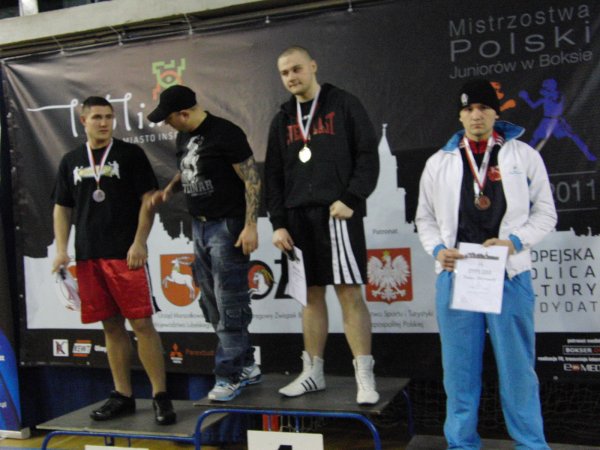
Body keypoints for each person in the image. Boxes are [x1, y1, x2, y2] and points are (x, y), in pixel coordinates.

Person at [415, 79, 556, 449]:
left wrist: (515, 242)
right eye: (468, 109)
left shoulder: (523, 155)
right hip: (457, 272)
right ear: (460, 116)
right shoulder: (438, 162)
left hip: (508, 272)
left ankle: (531, 445)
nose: (475, 115)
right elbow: (424, 218)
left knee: (517, 369)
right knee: (458, 372)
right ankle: (461, 444)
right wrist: (437, 249)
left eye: (482, 108)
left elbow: (546, 212)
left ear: (496, 112)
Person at [265, 46, 380, 405]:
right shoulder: (282, 119)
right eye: (285, 73)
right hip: (297, 220)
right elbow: (273, 176)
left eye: (297, 69)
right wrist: (278, 223)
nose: (291, 77)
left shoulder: (343, 104)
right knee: (310, 296)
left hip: (337, 213)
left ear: (313, 66)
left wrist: (352, 198)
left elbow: (367, 154)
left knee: (349, 293)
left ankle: (364, 374)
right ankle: (313, 372)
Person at [52, 96, 176, 425]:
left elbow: (147, 201)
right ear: (83, 121)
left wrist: (140, 242)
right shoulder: (70, 160)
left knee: (142, 324)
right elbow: (62, 207)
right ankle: (122, 394)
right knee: (110, 326)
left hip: (125, 254)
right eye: (97, 117)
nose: (104, 122)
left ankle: (160, 395)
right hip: (89, 255)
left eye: (108, 117)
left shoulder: (130, 154)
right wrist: (62, 249)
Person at [147, 85, 261, 402]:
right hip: (200, 226)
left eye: (169, 119)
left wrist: (251, 225)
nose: (168, 125)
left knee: (230, 304)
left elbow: (252, 179)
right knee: (211, 304)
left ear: (184, 113)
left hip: (228, 226)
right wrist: (169, 189)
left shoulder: (226, 133)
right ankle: (246, 364)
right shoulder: (185, 137)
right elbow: (188, 168)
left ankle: (229, 375)